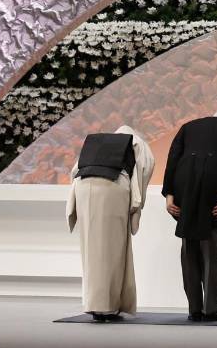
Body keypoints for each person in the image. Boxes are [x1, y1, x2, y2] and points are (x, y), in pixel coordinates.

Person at [161, 110, 217, 322]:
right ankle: (211, 310)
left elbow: (172, 158)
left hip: (184, 185)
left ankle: (194, 309)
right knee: (212, 249)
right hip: (213, 185)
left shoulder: (188, 126)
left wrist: (169, 194)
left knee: (189, 248)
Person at [66, 125, 155, 321]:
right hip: (112, 187)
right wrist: (136, 207)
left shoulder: (98, 144)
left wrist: (72, 205)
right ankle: (107, 306)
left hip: (83, 187)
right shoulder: (136, 142)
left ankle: (95, 304)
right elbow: (145, 167)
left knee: (91, 250)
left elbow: (75, 171)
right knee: (113, 249)